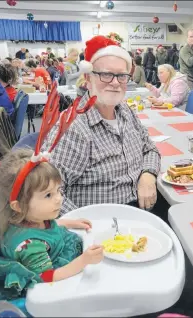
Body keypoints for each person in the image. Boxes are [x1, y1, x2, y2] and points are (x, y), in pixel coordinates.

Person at [42, 35, 161, 213]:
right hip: (103, 224)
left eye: (121, 76)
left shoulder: (125, 111)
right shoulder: (74, 128)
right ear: (88, 79)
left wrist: (148, 176)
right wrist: (87, 227)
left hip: (141, 211)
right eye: (106, 74)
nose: (115, 83)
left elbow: (150, 148)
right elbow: (45, 193)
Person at [0, 148, 104, 300]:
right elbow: (47, 277)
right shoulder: (29, 245)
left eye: (58, 190)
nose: (58, 199)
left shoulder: (31, 218)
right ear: (18, 206)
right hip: (45, 287)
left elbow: (47, 227)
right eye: (48, 195)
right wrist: (84, 261)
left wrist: (70, 222)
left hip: (52, 258)